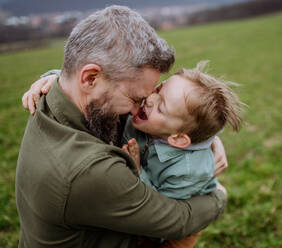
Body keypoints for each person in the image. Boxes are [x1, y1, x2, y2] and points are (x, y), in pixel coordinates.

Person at [17, 5, 227, 248]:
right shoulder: (91, 171)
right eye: (135, 99)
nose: (139, 109)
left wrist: (205, 140)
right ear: (90, 78)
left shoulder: (53, 95)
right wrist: (219, 195)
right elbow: (178, 219)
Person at [122, 61, 243, 247]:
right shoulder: (150, 123)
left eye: (161, 108)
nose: (150, 99)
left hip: (181, 225)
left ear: (178, 139)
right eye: (158, 90)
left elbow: (164, 210)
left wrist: (138, 172)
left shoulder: (187, 171)